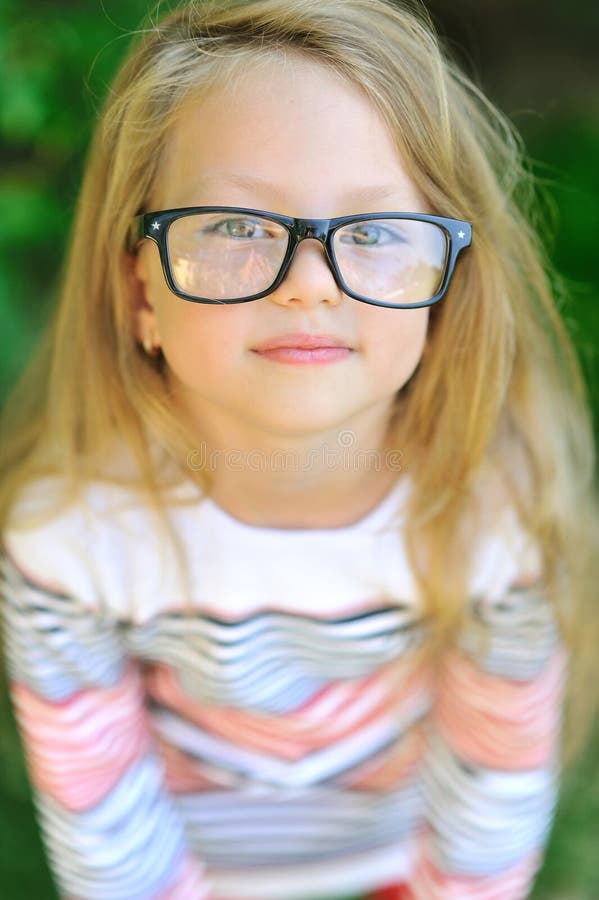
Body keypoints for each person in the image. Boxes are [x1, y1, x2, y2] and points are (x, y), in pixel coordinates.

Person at [1, 0, 598, 897]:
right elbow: (105, 816)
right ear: (143, 296)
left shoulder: (494, 513)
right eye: (237, 226)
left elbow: (493, 786)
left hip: (400, 864)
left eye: (372, 232)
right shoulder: (67, 540)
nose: (310, 285)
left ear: (441, 292)